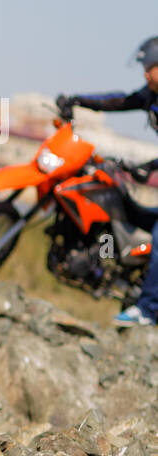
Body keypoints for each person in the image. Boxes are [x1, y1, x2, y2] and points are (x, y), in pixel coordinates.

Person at [57, 36, 158, 326]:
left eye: (149, 66)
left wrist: (149, 166)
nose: (144, 73)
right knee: (126, 210)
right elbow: (118, 100)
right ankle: (126, 273)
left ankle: (148, 310)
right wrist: (78, 100)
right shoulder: (150, 95)